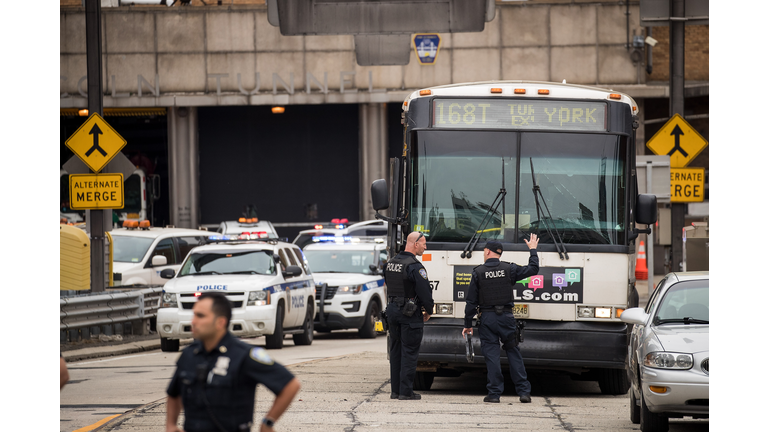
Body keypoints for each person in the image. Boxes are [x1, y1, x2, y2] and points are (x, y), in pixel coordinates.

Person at [166, 292, 301, 432]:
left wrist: (267, 423)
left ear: (220, 322)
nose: (193, 321)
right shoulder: (189, 354)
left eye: (200, 316)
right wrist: (170, 425)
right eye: (194, 315)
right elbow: (174, 393)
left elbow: (290, 385)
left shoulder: (244, 355)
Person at [462, 236, 539, 404]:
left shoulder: (478, 272)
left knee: (492, 355)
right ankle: (524, 392)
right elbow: (533, 269)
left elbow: (471, 302)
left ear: (488, 251)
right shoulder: (509, 269)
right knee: (513, 352)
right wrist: (532, 249)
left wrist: (468, 324)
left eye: (484, 251)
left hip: (487, 318)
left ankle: (494, 394)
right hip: (506, 318)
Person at [384, 231, 435, 401]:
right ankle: (406, 392)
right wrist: (429, 309)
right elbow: (424, 292)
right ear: (415, 244)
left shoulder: (391, 263)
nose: (425, 247)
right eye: (423, 244)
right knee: (409, 352)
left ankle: (395, 391)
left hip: (392, 312)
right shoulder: (414, 266)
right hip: (409, 313)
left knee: (396, 351)